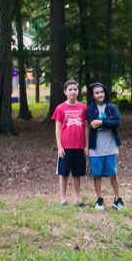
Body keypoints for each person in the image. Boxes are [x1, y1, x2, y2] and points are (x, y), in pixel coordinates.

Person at [86, 82, 123, 211]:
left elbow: (117, 121)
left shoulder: (112, 107)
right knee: (97, 174)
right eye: (97, 93)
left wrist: (102, 121)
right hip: (96, 147)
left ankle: (118, 199)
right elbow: (92, 124)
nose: (100, 94)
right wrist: (107, 122)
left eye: (101, 92)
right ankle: (99, 199)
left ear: (105, 93)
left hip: (110, 146)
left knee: (113, 173)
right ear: (93, 95)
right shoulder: (90, 109)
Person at [52, 79, 88, 207]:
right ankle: (63, 198)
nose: (73, 92)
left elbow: (86, 127)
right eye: (70, 90)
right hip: (66, 147)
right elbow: (57, 128)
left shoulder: (83, 108)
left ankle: (77, 198)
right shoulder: (60, 108)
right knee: (63, 173)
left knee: (77, 173)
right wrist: (59, 147)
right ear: (65, 92)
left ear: (78, 91)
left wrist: (86, 146)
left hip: (79, 146)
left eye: (75, 89)